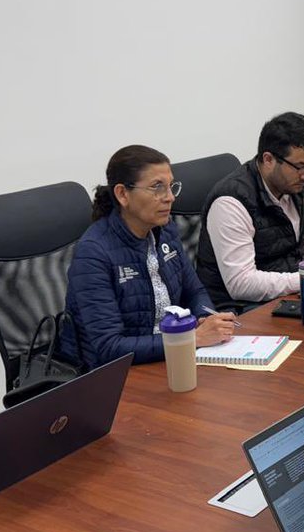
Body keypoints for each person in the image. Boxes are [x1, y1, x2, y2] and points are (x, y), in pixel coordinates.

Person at [60, 145, 237, 369]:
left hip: (169, 356)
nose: (170, 198)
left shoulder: (165, 229)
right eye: (157, 188)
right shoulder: (94, 252)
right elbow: (109, 348)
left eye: (171, 187)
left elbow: (195, 291)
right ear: (123, 194)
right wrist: (192, 339)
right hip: (118, 375)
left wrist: (205, 320)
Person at [196, 112, 304, 309]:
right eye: (300, 167)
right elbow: (241, 284)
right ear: (268, 159)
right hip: (240, 310)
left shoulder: (299, 188)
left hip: (288, 295)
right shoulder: (230, 202)